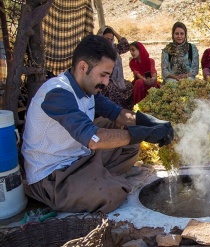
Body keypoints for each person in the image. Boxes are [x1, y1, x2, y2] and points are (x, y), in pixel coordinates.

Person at [21, 35, 174, 213]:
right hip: (54, 175)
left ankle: (94, 178)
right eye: (103, 75)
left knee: (128, 143)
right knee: (113, 194)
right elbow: (93, 139)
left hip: (80, 157)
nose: (106, 82)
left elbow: (117, 113)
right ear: (83, 67)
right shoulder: (57, 93)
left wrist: (149, 122)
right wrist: (143, 134)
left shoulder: (87, 88)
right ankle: (94, 182)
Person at [97, 26, 134, 110]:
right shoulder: (96, 51)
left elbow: (125, 45)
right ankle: (114, 113)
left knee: (130, 86)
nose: (109, 42)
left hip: (116, 81)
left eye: (111, 39)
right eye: (106, 39)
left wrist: (114, 31)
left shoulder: (114, 49)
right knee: (111, 90)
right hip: (103, 80)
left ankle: (125, 113)